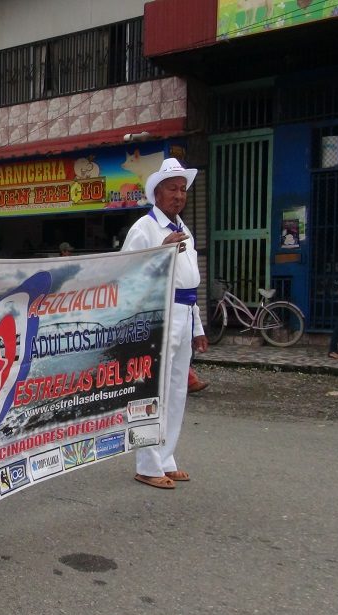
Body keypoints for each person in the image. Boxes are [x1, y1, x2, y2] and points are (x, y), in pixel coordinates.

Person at [121, 157, 208, 489]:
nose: (179, 195)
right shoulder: (144, 228)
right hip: (158, 313)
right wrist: (159, 252)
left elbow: (189, 282)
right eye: (172, 189)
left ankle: (166, 457)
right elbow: (126, 274)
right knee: (151, 390)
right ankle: (147, 464)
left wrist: (197, 328)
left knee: (176, 391)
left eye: (183, 189)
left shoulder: (184, 229)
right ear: (157, 193)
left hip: (184, 312)